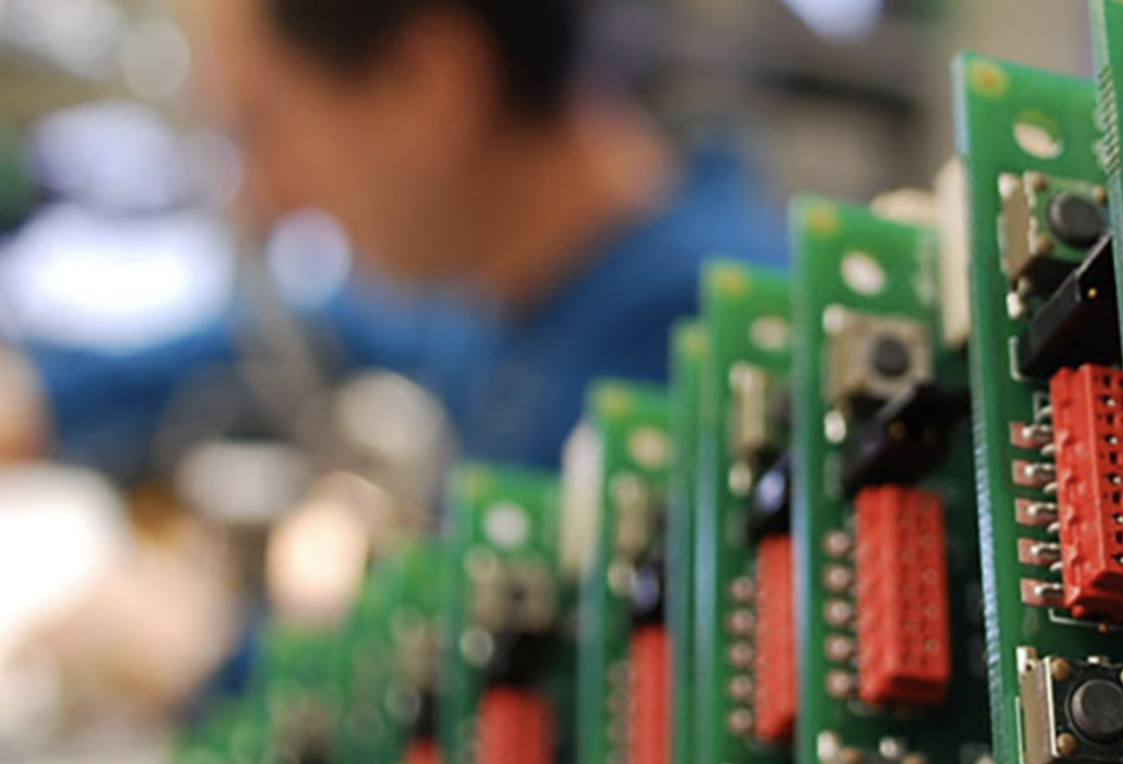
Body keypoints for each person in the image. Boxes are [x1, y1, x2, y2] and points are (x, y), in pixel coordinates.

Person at [0, 0, 784, 477]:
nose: (263, 198)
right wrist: (44, 405)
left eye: (262, 127)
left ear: (423, 80)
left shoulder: (696, 355)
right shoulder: (517, 292)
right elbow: (327, 325)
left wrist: (206, 664)